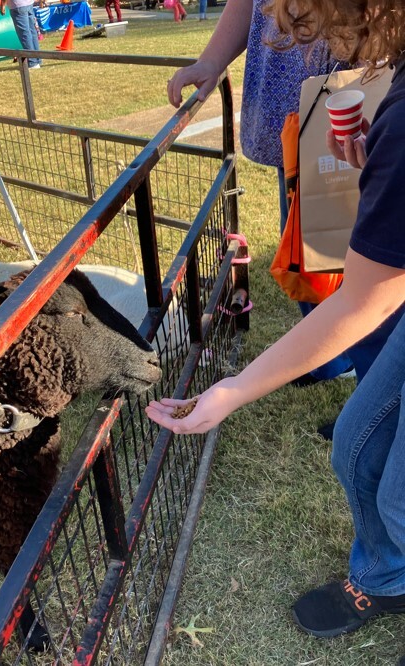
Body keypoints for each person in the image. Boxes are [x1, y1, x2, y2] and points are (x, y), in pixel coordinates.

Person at [148, 0, 405, 654]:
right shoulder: (382, 86)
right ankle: (388, 572)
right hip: (334, 120)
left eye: (301, 14)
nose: (285, 25)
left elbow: (368, 298)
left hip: (342, 114)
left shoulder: (382, 110)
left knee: (398, 494)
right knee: (359, 442)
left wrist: (232, 391)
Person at [167, 0, 355, 385]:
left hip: (343, 96)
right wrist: (212, 60)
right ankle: (335, 356)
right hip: (297, 114)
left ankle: (359, 362)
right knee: (310, 252)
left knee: (348, 254)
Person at [0, 0, 41, 70]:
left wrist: (2, 5)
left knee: (25, 34)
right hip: (29, 3)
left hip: (18, 5)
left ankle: (32, 62)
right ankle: (37, 59)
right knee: (32, 31)